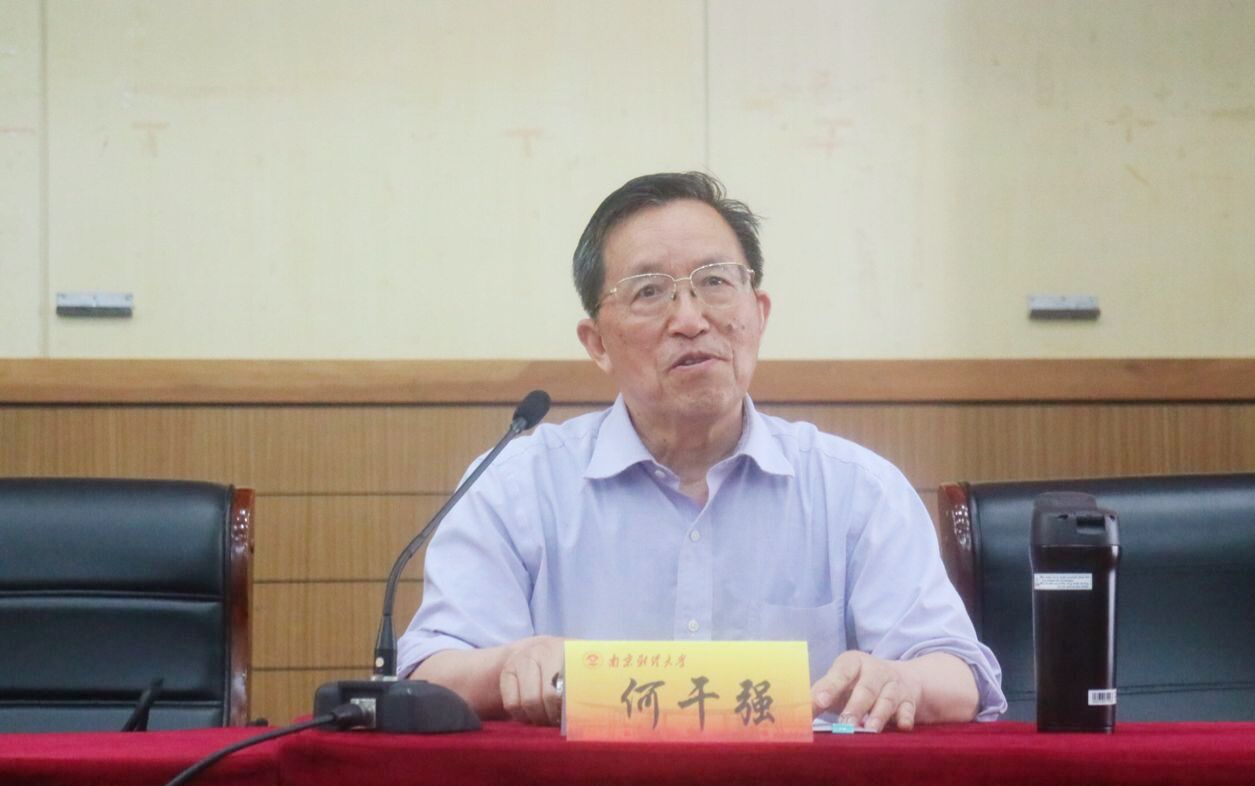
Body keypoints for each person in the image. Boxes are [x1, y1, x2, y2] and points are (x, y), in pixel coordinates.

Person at [399, 172, 1005, 731]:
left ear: (758, 314)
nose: (690, 320)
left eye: (715, 282)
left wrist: (901, 680)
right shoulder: (515, 486)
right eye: (649, 291)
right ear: (597, 343)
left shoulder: (856, 489)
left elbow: (959, 676)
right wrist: (511, 663)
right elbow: (431, 672)